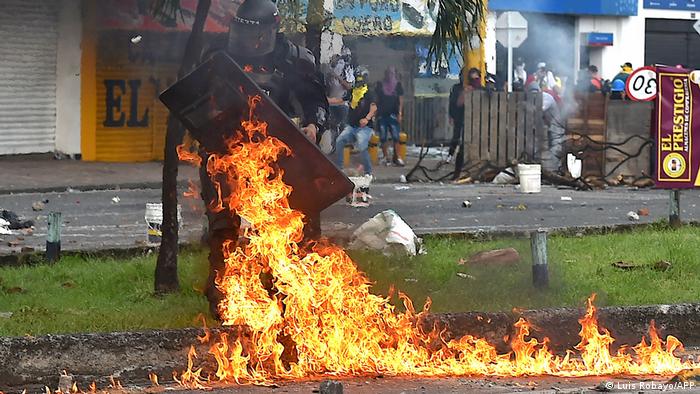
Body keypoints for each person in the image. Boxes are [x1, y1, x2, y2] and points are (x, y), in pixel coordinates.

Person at [197, 0, 329, 317]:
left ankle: (290, 296)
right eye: (242, 33)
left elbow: (317, 104)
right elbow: (196, 98)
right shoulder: (216, 55)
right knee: (222, 227)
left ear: (273, 29)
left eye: (255, 35)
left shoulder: (296, 60)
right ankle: (224, 298)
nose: (247, 42)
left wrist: (312, 126)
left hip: (279, 158)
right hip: (227, 155)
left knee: (296, 225)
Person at [334, 66, 376, 177]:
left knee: (362, 145)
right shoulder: (353, 91)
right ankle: (339, 169)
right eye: (357, 77)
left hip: (365, 128)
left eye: (360, 77)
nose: (358, 79)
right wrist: (326, 100)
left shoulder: (369, 93)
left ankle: (368, 172)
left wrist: (367, 119)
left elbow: (373, 108)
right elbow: (340, 100)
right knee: (339, 141)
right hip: (352, 126)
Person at [322, 54, 352, 154]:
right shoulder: (328, 69)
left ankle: (344, 151)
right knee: (332, 127)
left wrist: (336, 77)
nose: (333, 61)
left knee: (343, 127)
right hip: (330, 103)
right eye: (332, 59)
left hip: (342, 103)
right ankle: (335, 148)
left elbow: (348, 86)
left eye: (335, 59)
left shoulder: (345, 69)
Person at [374, 66, 405, 166]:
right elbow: (376, 99)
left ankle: (397, 157)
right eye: (388, 73)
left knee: (396, 137)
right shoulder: (380, 85)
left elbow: (400, 100)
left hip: (393, 115)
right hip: (382, 115)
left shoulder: (398, 85)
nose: (389, 75)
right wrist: (374, 113)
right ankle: (385, 157)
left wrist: (400, 113)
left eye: (391, 73)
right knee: (383, 137)